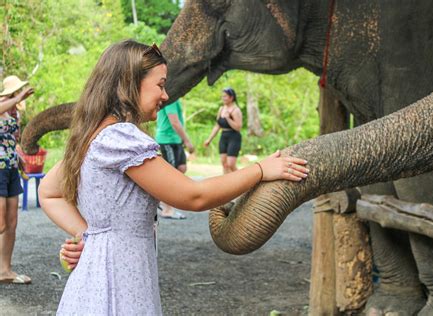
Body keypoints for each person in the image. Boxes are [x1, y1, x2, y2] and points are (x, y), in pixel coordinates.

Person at [38, 40, 308, 315]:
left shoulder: (93, 134)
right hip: (118, 284)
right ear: (129, 84)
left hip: (95, 283)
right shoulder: (121, 138)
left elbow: (48, 191)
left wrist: (88, 236)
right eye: (160, 85)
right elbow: (193, 195)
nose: (166, 95)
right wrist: (260, 170)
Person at [0, 75, 34, 284]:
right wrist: (19, 96)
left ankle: (5, 270)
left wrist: (19, 159)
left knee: (12, 223)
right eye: (18, 91)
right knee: (1, 223)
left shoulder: (14, 113)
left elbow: (12, 141)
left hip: (11, 169)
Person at [155, 98, 193, 219]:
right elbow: (174, 122)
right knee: (170, 174)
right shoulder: (170, 99)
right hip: (166, 140)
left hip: (176, 140)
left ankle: (162, 201)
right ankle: (167, 209)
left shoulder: (176, 99)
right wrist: (187, 141)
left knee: (181, 168)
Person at [204, 88, 243, 174]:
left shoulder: (236, 110)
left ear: (231, 97)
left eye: (225, 96)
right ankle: (227, 184)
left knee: (231, 164)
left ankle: (244, 181)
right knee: (224, 163)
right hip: (224, 136)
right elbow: (218, 125)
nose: (223, 98)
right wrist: (209, 140)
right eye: (222, 96)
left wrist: (228, 118)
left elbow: (238, 127)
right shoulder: (221, 109)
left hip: (234, 137)